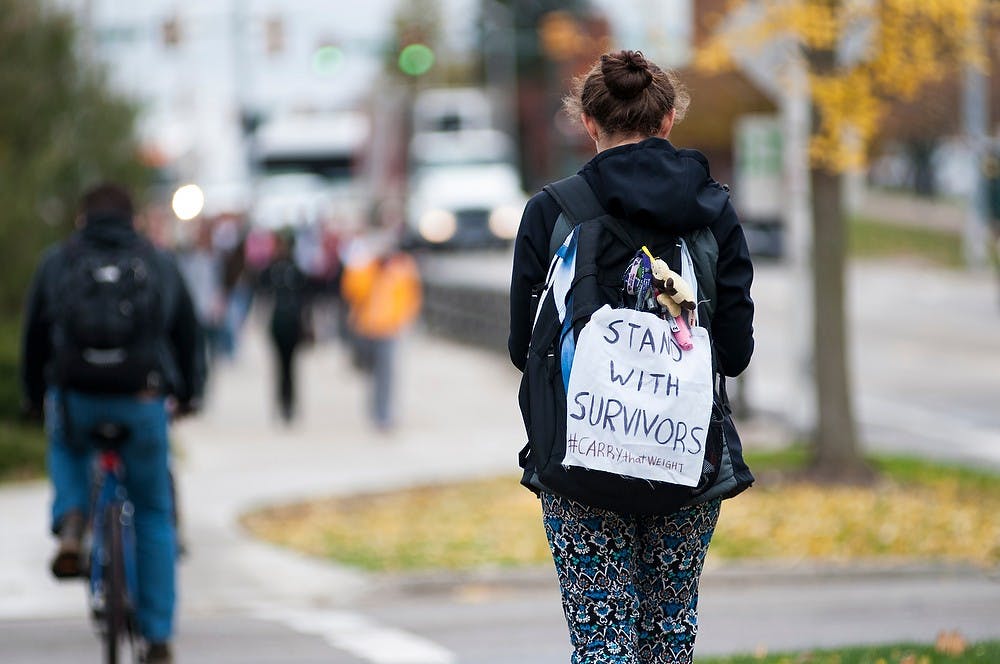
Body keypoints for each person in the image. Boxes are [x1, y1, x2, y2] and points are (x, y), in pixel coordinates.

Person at [508, 50, 755, 663]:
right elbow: (738, 349)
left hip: (581, 453)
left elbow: (522, 347)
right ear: (669, 119)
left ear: (589, 124)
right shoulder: (714, 210)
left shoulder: (552, 212)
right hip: (683, 448)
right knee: (669, 636)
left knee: (602, 642)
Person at [20, 183, 205, 664]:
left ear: (81, 218)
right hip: (141, 399)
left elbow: (33, 336)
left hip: (77, 397)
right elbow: (188, 332)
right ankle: (159, 635)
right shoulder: (157, 261)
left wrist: (32, 397)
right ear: (134, 220)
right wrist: (189, 393)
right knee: (152, 512)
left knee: (65, 447)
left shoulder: (59, 261)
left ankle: (73, 521)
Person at [340, 239, 422, 431]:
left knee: (385, 374)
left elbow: (411, 296)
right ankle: (375, 407)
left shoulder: (402, 268)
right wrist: (368, 268)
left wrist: (403, 319)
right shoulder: (365, 268)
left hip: (388, 329)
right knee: (370, 371)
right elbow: (352, 291)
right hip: (364, 327)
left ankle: (383, 413)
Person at [258, 230, 311, 423]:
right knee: (280, 366)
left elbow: (306, 299)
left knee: (291, 367)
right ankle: (281, 402)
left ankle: (290, 403)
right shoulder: (272, 269)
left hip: (292, 324)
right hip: (278, 323)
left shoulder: (295, 270)